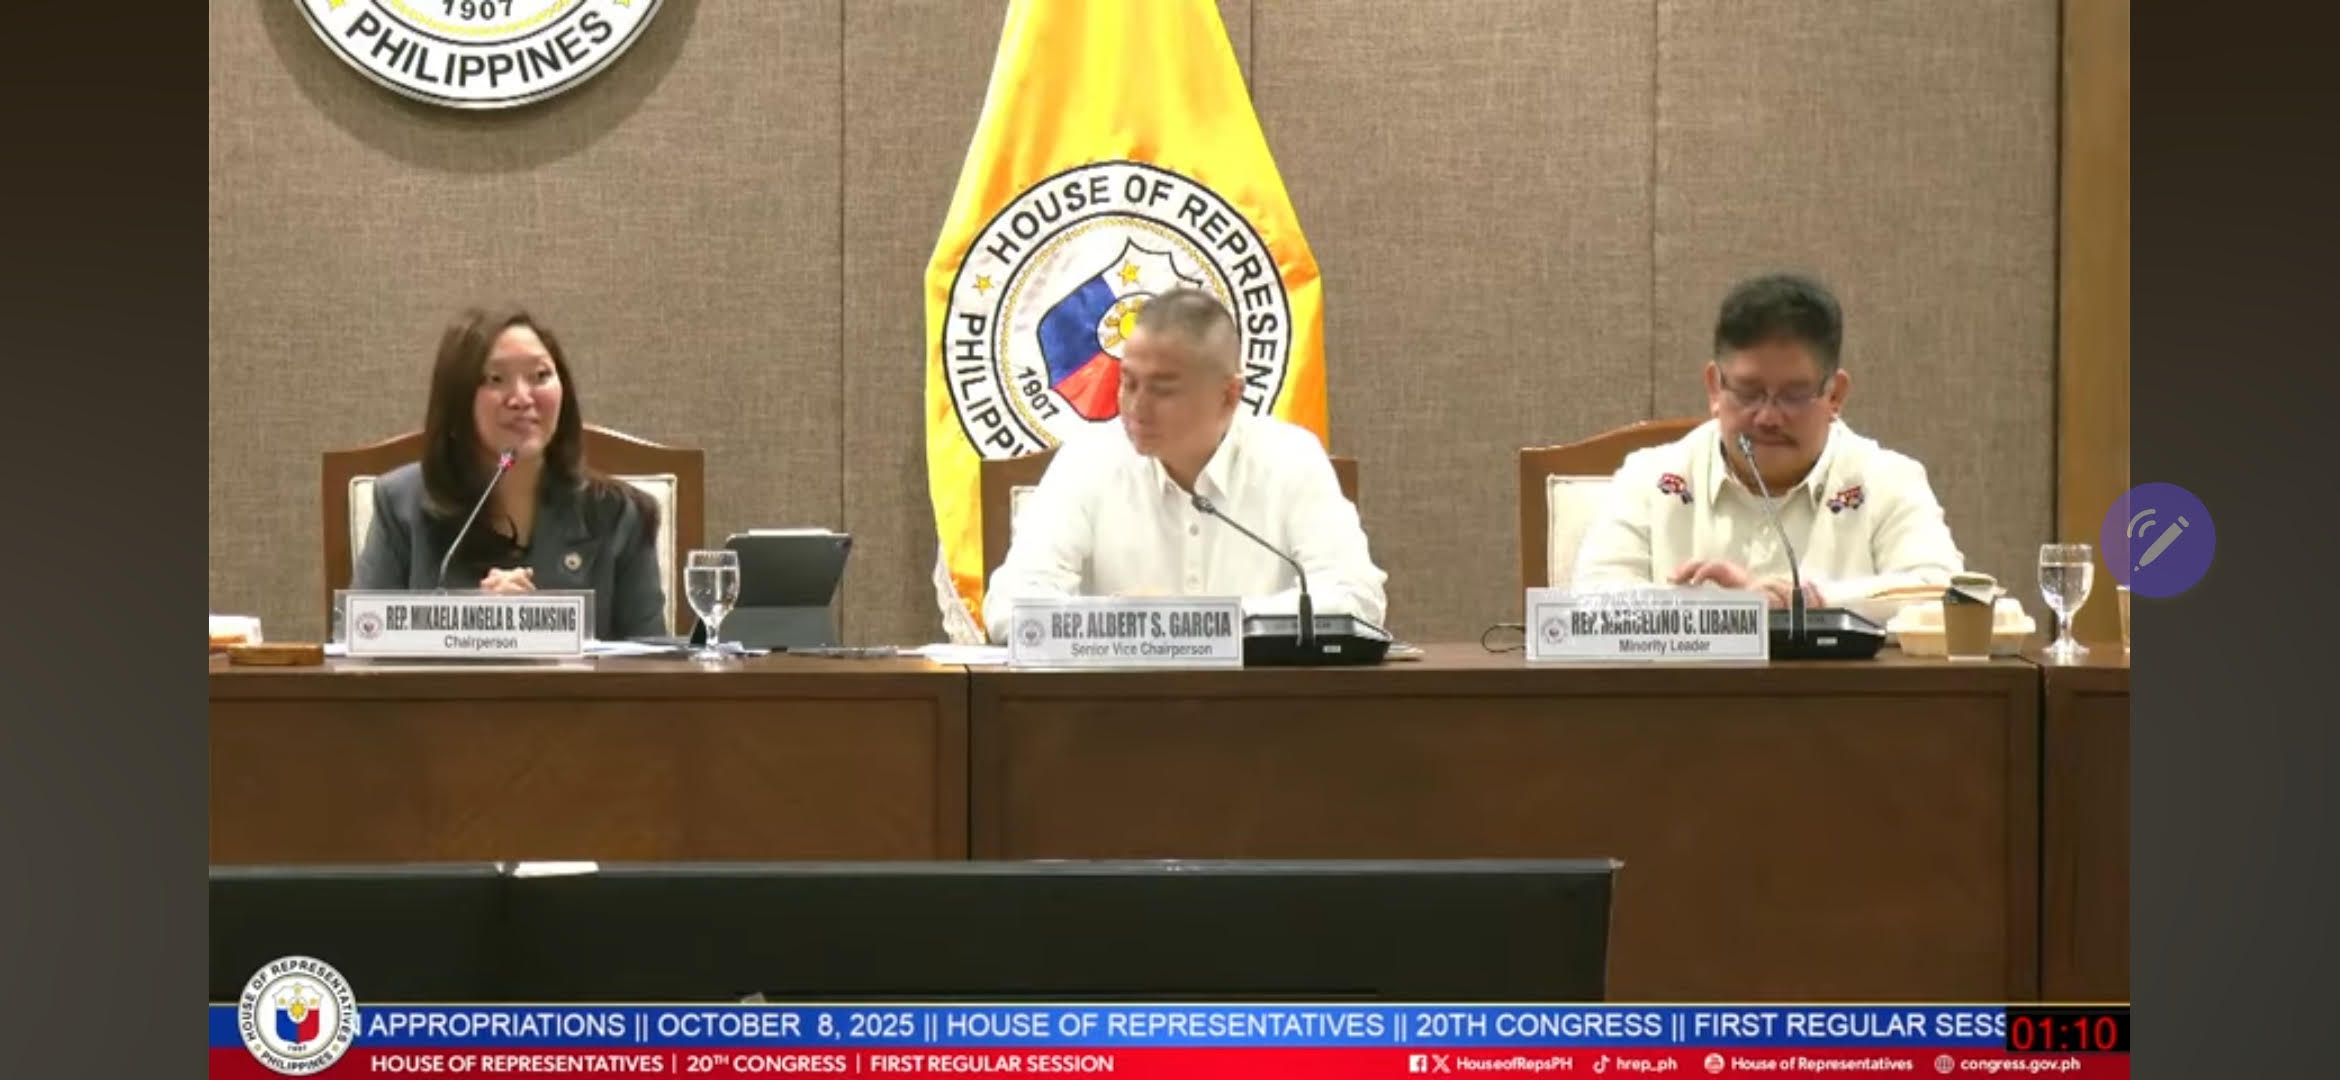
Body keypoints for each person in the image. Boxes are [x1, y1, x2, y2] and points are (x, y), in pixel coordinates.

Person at [982, 287, 1388, 642]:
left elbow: (1357, 600)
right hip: (1113, 702)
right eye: (1128, 382)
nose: (1136, 407)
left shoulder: (1290, 458)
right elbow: (1010, 605)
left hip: (1261, 702)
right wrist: (1134, 623)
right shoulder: (1088, 460)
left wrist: (1195, 623)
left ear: (1228, 396)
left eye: (1163, 390)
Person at [1571, 272, 1964, 608]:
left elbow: (1942, 592)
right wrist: (1730, 612)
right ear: (1714, 388)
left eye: (1794, 395)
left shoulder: (1888, 480)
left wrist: (1803, 602)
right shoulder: (1650, 478)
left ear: (1835, 396)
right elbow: (1591, 599)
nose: (1768, 418)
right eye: (1748, 392)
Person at [353, 305, 668, 641]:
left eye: (540, 376)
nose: (521, 398)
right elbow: (363, 641)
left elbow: (651, 664)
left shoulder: (619, 515)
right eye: (495, 379)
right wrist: (476, 621)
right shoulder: (401, 504)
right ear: (456, 398)